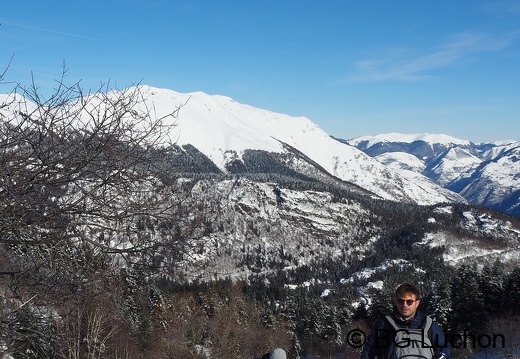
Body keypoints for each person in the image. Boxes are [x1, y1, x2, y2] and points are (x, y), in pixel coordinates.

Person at [360, 282, 451, 359]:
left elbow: (444, 345)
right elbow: (369, 349)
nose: (405, 305)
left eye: (409, 301)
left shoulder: (427, 324)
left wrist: (443, 355)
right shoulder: (385, 324)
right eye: (401, 301)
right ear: (396, 301)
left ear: (417, 303)